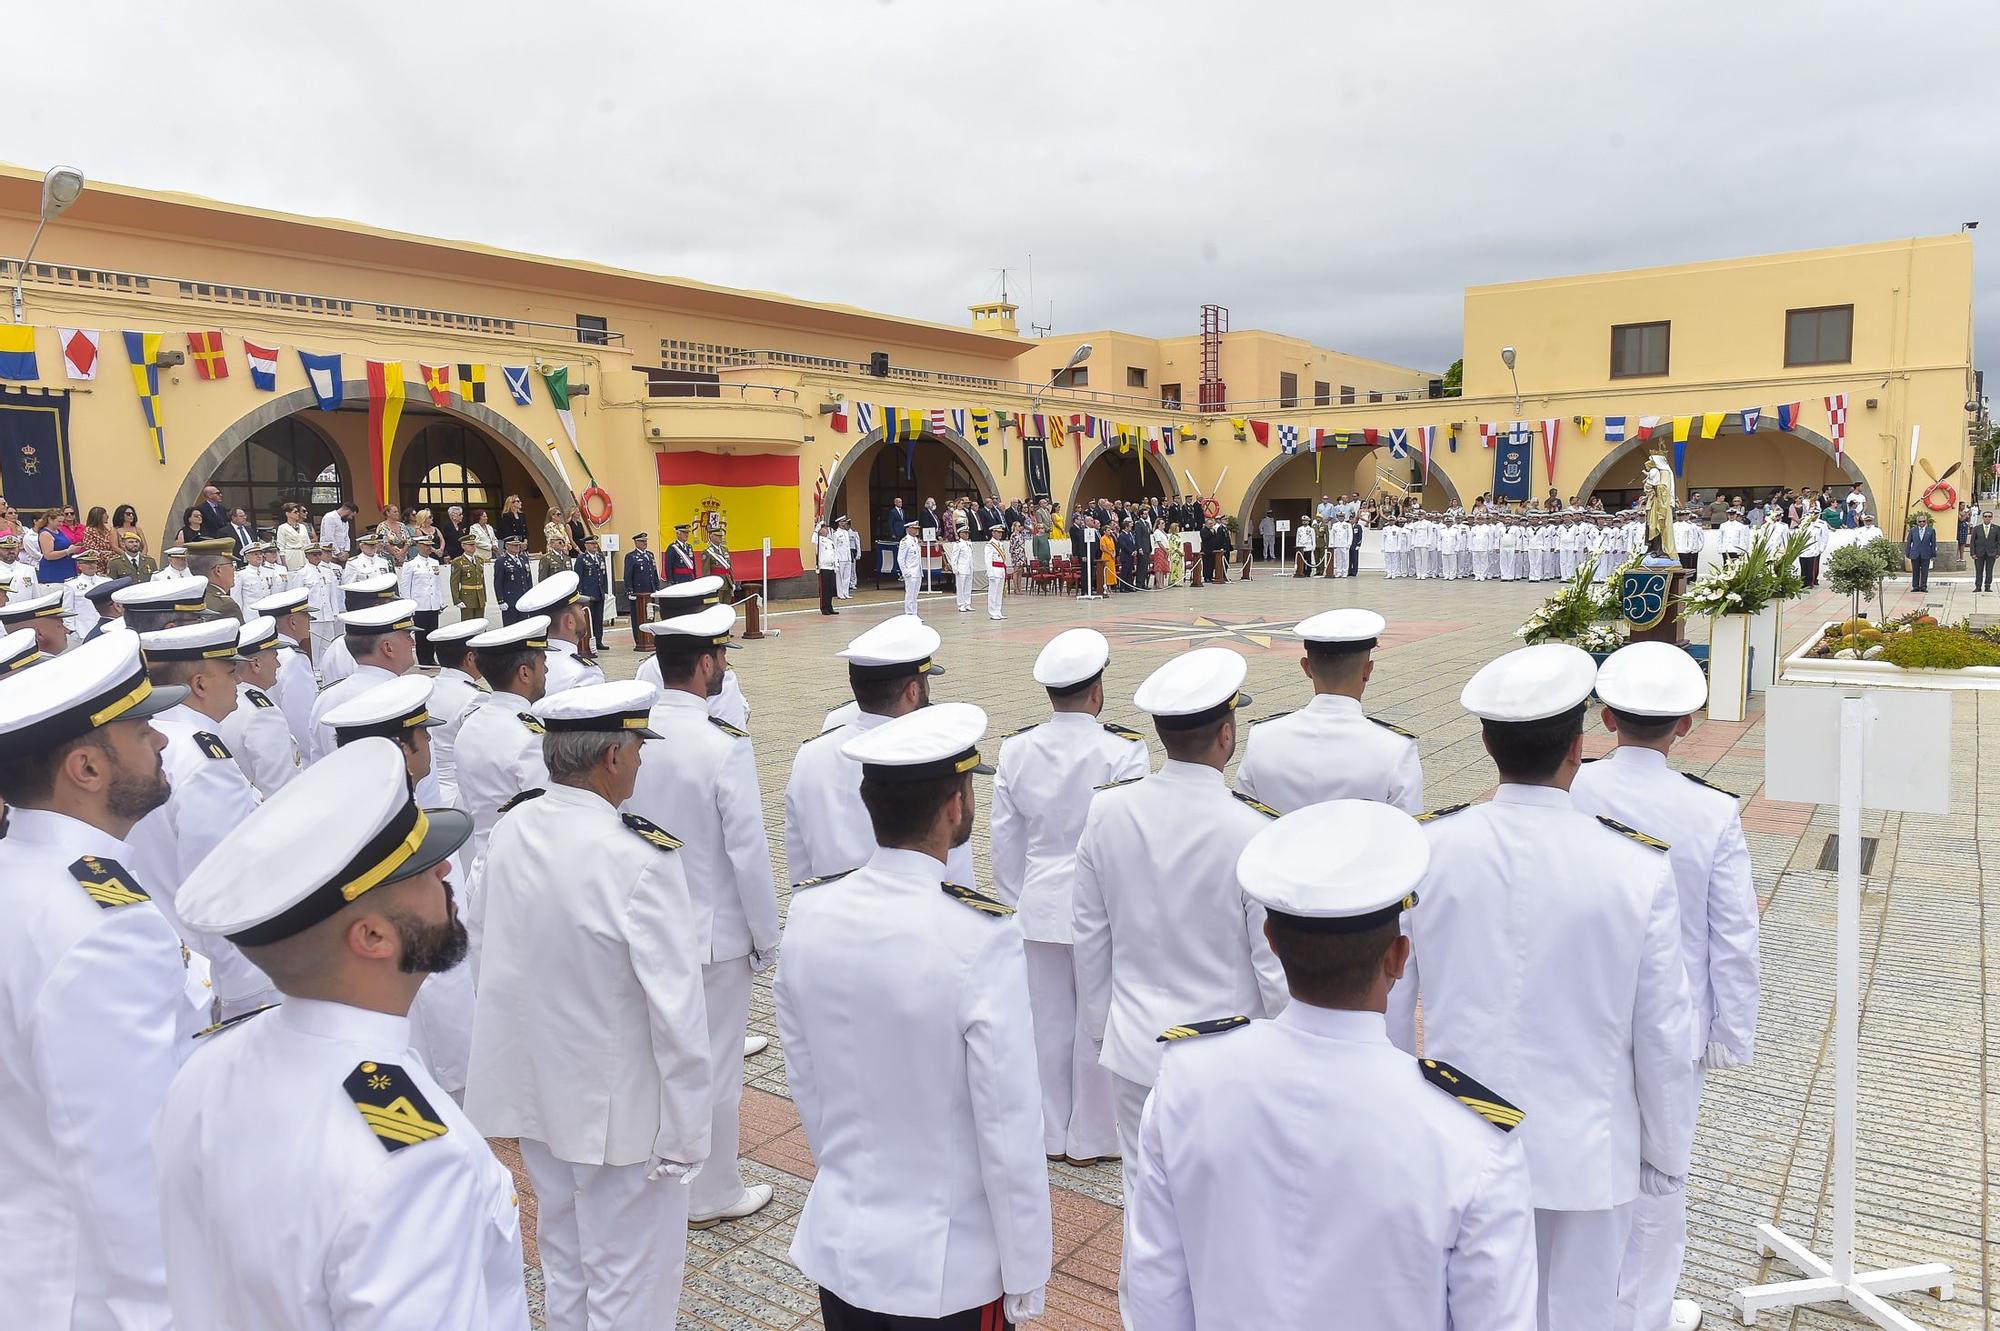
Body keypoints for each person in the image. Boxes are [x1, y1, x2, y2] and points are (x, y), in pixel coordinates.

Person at [155, 738, 527, 1328]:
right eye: (418, 870)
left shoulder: (206, 1067)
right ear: (373, 938)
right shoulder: (415, 1162)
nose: (444, 868)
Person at [1125, 800, 1536, 1330]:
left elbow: (1156, 1285)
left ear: (1271, 942)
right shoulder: (1472, 1139)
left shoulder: (1186, 1081)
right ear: (1398, 956)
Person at [1387, 643, 1696, 1331]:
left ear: (1488, 741)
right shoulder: (1634, 868)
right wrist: (1666, 1155)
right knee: (1586, 1315)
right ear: (1578, 747)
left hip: (1459, 1134)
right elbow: (1665, 1034)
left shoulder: (1431, 849)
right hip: (1590, 1151)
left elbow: (1393, 999)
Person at [775, 703, 1052, 1330]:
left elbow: (809, 1086)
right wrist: (1027, 1267)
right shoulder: (981, 938)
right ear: (956, 805)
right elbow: (1009, 1126)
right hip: (949, 1271)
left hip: (842, 1246)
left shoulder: (812, 915)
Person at [467, 680, 708, 1331]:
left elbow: (481, 947)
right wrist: (688, 1133)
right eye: (637, 748)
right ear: (610, 756)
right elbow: (678, 1010)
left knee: (567, 1264)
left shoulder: (513, 825)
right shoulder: (638, 856)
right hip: (622, 1121)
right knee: (633, 1285)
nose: (641, 762)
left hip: (539, 1097)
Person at [1073, 648, 1289, 1307]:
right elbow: (1270, 965)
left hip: (1137, 1046)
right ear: (1227, 734)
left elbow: (1091, 938)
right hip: (1228, 1055)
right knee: (1230, 1204)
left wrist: (1106, 1028)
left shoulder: (1108, 813)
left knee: (1145, 1201)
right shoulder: (1251, 829)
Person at [0, 631, 193, 1331]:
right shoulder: (103, 923)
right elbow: (123, 1164)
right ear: (85, 766)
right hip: (88, 1293)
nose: (162, 743)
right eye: (141, 732)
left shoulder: (24, 872)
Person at [1572, 643, 1759, 1331]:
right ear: (1686, 725)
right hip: (1676, 1023)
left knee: (1589, 1155)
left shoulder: (1577, 787)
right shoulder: (1710, 812)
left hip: (1584, 1007)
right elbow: (1733, 933)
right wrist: (1728, 1036)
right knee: (1661, 1170)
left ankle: (1583, 1302)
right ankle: (1643, 1313)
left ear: (1608, 718)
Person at [630, 604, 781, 1229]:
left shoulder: (632, 733)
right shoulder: (722, 746)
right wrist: (767, 938)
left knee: (653, 1054)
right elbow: (749, 853)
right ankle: (713, 1189)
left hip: (647, 926)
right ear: (703, 664)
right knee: (715, 1064)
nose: (723, 664)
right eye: (719, 655)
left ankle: (655, 1171)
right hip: (714, 935)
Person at [990, 629, 1147, 1167]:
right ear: (1098, 690)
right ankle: (1095, 1136)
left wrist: (1021, 899)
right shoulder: (1124, 751)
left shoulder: (1016, 750)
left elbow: (1004, 844)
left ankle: (1049, 1131)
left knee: (1045, 1022)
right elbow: (1127, 842)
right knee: (1097, 1021)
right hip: (1100, 905)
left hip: (1038, 902)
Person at [784, 617, 976, 888]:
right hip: (916, 923)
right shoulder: (931, 757)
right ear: (912, 691)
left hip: (826, 917)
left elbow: (798, 858)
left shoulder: (809, 755)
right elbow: (955, 868)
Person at [1236, 609, 1423, 814]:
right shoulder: (1396, 747)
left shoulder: (1262, 736)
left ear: (1306, 667)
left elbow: (1245, 816)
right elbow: (1407, 833)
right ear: (1367, 671)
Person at [453, 617, 552, 870]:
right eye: (543, 663)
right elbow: (546, 815)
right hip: (520, 868)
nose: (547, 671)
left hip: (480, 863)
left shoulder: (471, 724)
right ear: (524, 673)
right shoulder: (530, 738)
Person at [220, 615, 301, 797]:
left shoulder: (225, 703)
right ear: (256, 664)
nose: (278, 664)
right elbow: (279, 790)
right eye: (274, 657)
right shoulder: (263, 714)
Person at [422, 618, 487, 808]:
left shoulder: (427, 688)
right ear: (470, 658)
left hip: (428, 791)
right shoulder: (474, 698)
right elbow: (478, 755)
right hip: (459, 796)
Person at [517, 569, 603, 696]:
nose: (584, 612)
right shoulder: (585, 673)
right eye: (580, 608)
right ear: (569, 621)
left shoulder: (524, 666)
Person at [400, 536, 447, 667]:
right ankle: (423, 659)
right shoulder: (410, 564)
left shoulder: (434, 562)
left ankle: (431, 657)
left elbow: (437, 584)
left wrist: (440, 601)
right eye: (426, 546)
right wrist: (408, 605)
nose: (428, 548)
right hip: (419, 604)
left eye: (430, 546)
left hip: (433, 603)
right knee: (421, 634)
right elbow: (405, 586)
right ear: (419, 546)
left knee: (432, 632)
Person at [622, 532, 661, 647]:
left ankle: (650, 638)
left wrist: (657, 587)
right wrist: (629, 590)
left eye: (646, 541)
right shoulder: (631, 556)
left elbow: (653, 573)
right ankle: (639, 640)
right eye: (642, 541)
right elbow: (628, 574)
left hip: (650, 591)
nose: (645, 543)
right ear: (636, 542)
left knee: (650, 615)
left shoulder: (650, 555)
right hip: (638, 592)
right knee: (638, 617)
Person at [573, 534, 610, 650]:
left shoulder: (600, 557)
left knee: (598, 618)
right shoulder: (581, 559)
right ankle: (588, 641)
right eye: (592, 544)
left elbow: (604, 575)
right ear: (586, 545)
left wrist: (605, 590)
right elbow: (578, 577)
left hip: (599, 593)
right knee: (588, 619)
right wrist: (580, 594)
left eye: (595, 544)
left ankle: (598, 641)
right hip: (587, 594)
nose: (595, 546)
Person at [494, 534, 533, 623]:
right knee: (511, 627)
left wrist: (530, 595)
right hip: (510, 601)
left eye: (518, 545)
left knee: (524, 627)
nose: (517, 547)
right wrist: (501, 600)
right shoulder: (501, 561)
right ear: (507, 546)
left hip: (523, 599)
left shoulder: (524, 559)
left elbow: (528, 579)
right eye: (514, 545)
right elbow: (498, 582)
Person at [1905, 513, 1937, 592]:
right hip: (1915, 553)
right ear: (1917, 522)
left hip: (1926, 553)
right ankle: (1915, 586)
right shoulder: (1913, 531)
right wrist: (1907, 552)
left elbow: (1933, 543)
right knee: (1915, 571)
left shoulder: (1931, 531)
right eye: (1920, 521)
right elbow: (1909, 542)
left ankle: (1923, 586)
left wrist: (1933, 553)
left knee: (1925, 571)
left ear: (1926, 522)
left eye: (1923, 521)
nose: (1922, 523)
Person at [815, 520, 842, 616]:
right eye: (824, 528)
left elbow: (834, 553)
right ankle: (824, 607)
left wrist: (836, 565)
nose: (826, 530)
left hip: (831, 567)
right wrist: (816, 529)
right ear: (821, 530)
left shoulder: (830, 541)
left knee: (830, 589)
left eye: (826, 528)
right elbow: (813, 540)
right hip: (823, 567)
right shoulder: (819, 540)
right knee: (824, 589)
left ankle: (830, 607)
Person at [898, 519, 923, 616]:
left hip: (917, 572)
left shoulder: (915, 540)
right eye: (914, 528)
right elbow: (900, 558)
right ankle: (909, 613)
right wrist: (905, 572)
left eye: (917, 528)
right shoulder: (905, 541)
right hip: (910, 572)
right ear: (908, 529)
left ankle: (914, 613)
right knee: (910, 595)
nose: (916, 530)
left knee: (915, 595)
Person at [1970, 510, 1999, 592]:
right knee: (1979, 570)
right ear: (1982, 517)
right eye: (1985, 516)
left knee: (1989, 570)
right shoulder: (1977, 528)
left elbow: (1998, 541)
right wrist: (1972, 553)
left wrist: (1998, 552)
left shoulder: (1996, 528)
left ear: (1992, 518)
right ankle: (1978, 586)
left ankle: (1987, 586)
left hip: (1991, 553)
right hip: (1979, 553)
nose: (1987, 518)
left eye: (1989, 516)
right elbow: (1972, 541)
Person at [984, 524, 1008, 620]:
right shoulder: (990, 545)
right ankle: (992, 612)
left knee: (999, 593)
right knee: (993, 592)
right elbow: (988, 560)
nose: (1000, 534)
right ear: (993, 533)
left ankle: (998, 611)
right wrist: (990, 573)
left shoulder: (1000, 544)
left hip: (1001, 570)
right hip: (994, 569)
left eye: (1001, 532)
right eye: (998, 532)